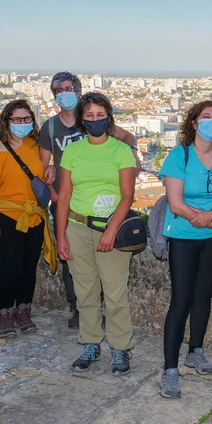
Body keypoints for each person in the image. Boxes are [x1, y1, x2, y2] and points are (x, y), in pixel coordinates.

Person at [38, 72, 139, 329]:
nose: (65, 93)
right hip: (69, 203)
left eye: (69, 88)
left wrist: (134, 153)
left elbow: (128, 140)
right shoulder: (51, 128)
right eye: (59, 90)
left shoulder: (109, 135)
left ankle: (115, 340)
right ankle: (79, 314)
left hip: (105, 212)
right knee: (75, 270)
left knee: (113, 283)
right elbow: (44, 164)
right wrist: (51, 180)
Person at [157, 101, 212, 398]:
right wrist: (200, 218)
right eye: (206, 117)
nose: (211, 122)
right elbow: (175, 202)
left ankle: (195, 351)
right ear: (194, 123)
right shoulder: (180, 156)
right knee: (181, 300)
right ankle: (170, 370)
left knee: (204, 295)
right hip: (184, 236)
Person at [57, 92, 139, 376]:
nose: (94, 120)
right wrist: (61, 236)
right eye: (89, 116)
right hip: (77, 227)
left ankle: (119, 347)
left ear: (109, 117)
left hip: (111, 228)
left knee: (115, 293)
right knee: (85, 291)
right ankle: (90, 341)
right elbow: (64, 196)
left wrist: (111, 230)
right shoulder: (73, 151)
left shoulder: (120, 150)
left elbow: (127, 196)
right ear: (81, 119)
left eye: (100, 115)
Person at [0, 99, 56, 336]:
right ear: (6, 121)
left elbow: (42, 169)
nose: (22, 123)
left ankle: (23, 310)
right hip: (5, 214)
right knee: (9, 268)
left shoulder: (35, 145)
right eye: (17, 119)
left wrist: (50, 166)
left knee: (28, 267)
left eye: (26, 119)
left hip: (33, 215)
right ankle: (4, 312)